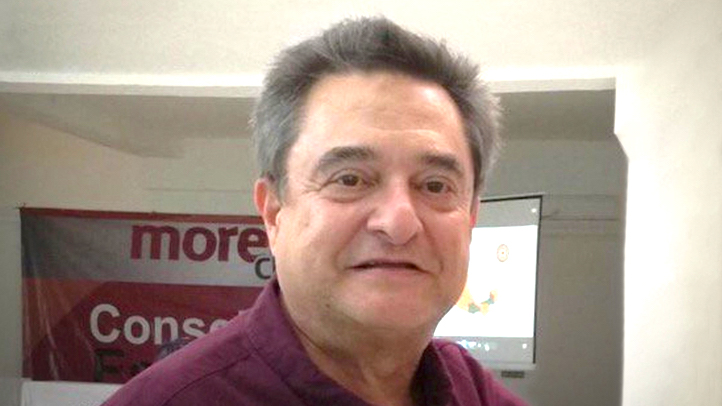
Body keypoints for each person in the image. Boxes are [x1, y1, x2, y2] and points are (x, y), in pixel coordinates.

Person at [101, 16, 528, 406]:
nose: (399, 222)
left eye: (435, 186)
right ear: (274, 213)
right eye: (350, 179)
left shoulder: (478, 395)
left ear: (470, 218)